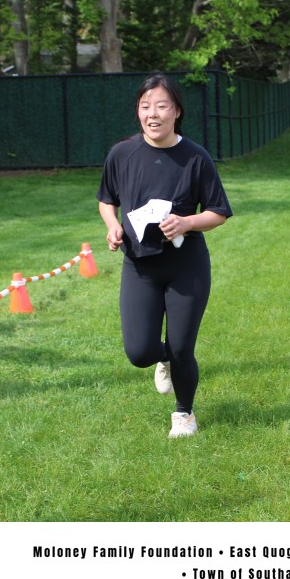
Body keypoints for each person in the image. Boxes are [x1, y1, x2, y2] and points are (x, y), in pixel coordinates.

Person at [97, 73, 233, 438]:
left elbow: (218, 212)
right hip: (139, 267)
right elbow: (107, 200)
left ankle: (184, 414)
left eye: (161, 106)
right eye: (145, 106)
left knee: (182, 347)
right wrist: (112, 226)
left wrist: (187, 222)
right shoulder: (122, 153)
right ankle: (164, 359)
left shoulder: (195, 157)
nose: (152, 114)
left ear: (177, 111)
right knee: (139, 352)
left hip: (186, 266)